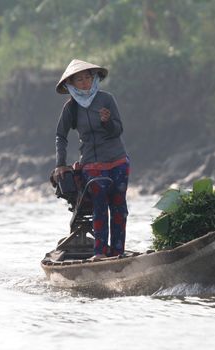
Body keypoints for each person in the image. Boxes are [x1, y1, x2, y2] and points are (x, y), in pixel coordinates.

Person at [53, 59, 130, 260]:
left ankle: (118, 253)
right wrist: (60, 164)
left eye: (88, 77)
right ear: (71, 84)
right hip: (92, 165)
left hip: (118, 161)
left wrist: (107, 122)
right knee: (99, 207)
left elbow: (118, 130)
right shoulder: (71, 108)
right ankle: (100, 254)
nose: (85, 82)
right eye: (80, 79)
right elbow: (61, 136)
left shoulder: (106, 99)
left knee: (119, 208)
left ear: (94, 79)